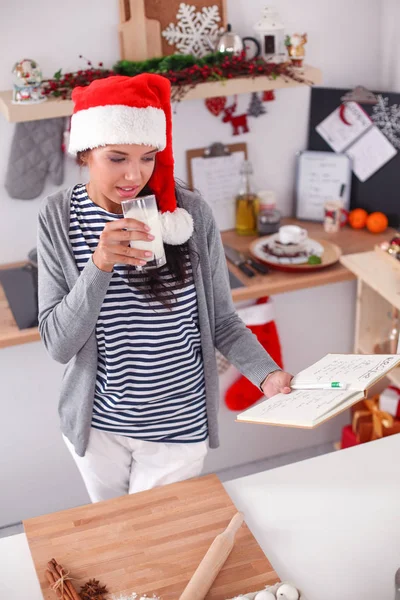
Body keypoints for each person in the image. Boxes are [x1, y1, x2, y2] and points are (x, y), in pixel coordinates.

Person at [37, 73, 293, 503]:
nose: (134, 175)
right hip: (99, 428)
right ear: (85, 152)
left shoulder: (188, 214)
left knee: (157, 537)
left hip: (178, 427)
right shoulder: (58, 217)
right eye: (117, 158)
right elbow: (59, 345)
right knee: (122, 537)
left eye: (148, 157)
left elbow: (223, 321)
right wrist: (99, 264)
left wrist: (266, 374)